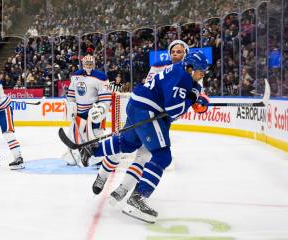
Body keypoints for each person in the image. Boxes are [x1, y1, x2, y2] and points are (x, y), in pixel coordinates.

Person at [79, 51, 210, 223]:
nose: (203, 74)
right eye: (201, 70)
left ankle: (93, 149)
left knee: (127, 143)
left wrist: (196, 94)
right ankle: (138, 198)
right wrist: (192, 99)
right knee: (162, 155)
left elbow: (186, 92)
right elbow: (173, 109)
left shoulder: (180, 71)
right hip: (148, 110)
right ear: (191, 68)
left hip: (137, 104)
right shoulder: (182, 77)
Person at [95, 40, 191, 206]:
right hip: (145, 113)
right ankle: (102, 176)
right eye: (173, 51)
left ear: (186, 54)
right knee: (122, 145)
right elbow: (149, 87)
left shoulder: (190, 72)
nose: (176, 54)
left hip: (161, 121)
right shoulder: (160, 66)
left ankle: (123, 188)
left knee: (144, 156)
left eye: (180, 51)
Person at [62, 55, 115, 166]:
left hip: (93, 111)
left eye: (90, 64)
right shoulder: (76, 75)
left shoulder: (101, 77)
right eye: (86, 64)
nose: (88, 66)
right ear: (83, 64)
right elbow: (72, 92)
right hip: (79, 111)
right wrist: (71, 104)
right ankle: (73, 155)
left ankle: (99, 157)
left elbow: (106, 98)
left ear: (94, 64)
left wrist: (101, 108)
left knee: (95, 134)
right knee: (74, 134)